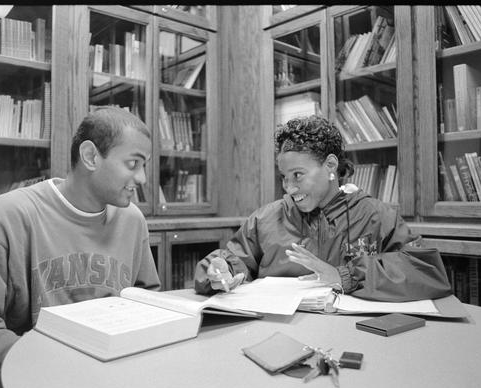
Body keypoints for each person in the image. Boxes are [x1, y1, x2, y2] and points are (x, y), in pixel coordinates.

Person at [0, 107, 161, 388]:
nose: (143, 179)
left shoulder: (133, 221)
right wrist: (46, 359)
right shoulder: (8, 216)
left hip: (112, 376)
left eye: (144, 165)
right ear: (90, 156)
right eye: (133, 163)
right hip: (37, 380)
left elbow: (146, 301)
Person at [194, 115, 452, 301]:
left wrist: (344, 276)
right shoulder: (266, 219)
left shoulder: (376, 216)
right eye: (284, 177)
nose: (289, 188)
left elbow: (427, 272)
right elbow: (231, 260)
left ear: (330, 165)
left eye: (298, 175)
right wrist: (220, 271)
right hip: (281, 334)